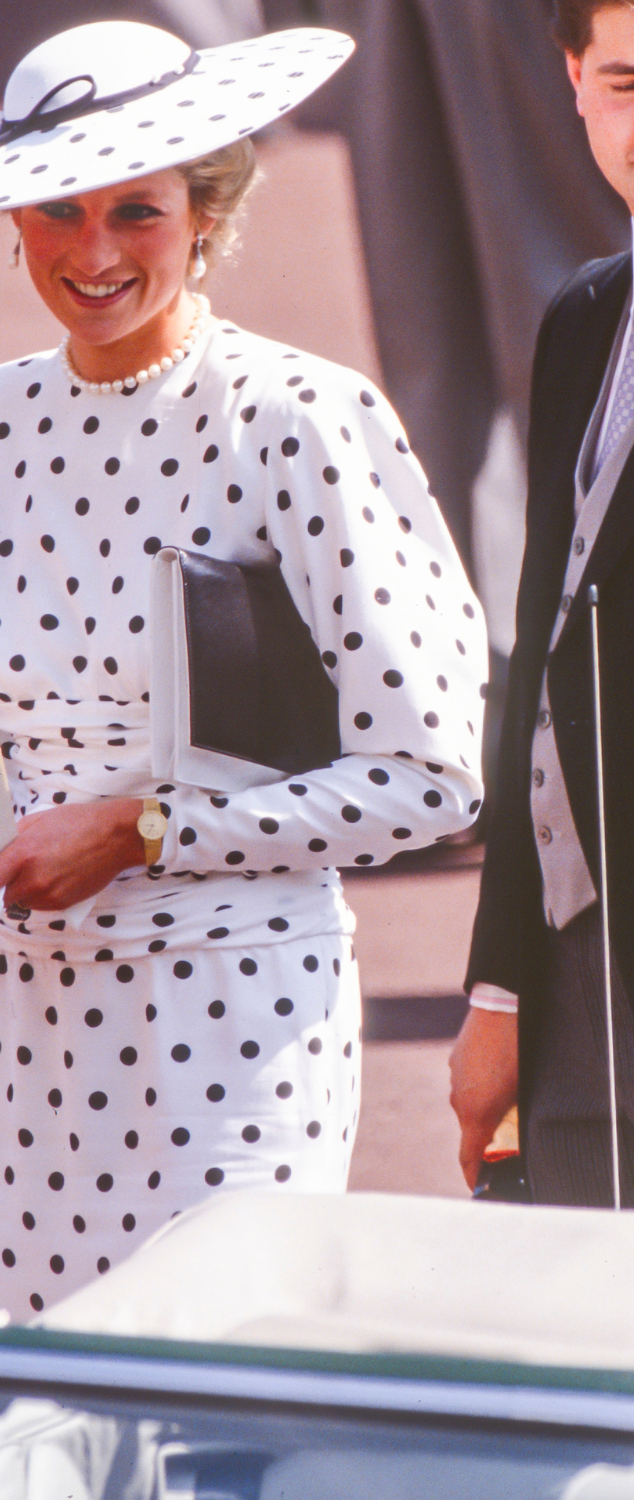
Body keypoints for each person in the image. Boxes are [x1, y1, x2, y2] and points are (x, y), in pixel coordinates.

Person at [0, 18, 486, 1322]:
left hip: (240, 1012)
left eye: (136, 212)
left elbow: (430, 777)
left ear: (208, 213)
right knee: (40, 1397)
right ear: (14, 217)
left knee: (210, 1387)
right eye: (60, 210)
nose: (93, 254)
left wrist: (145, 831)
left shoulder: (298, 419)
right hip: (33, 1023)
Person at [452, 0, 634, 1204]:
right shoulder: (583, 317)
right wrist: (500, 990)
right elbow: (545, 664)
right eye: (626, 84)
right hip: (579, 984)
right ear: (570, 79)